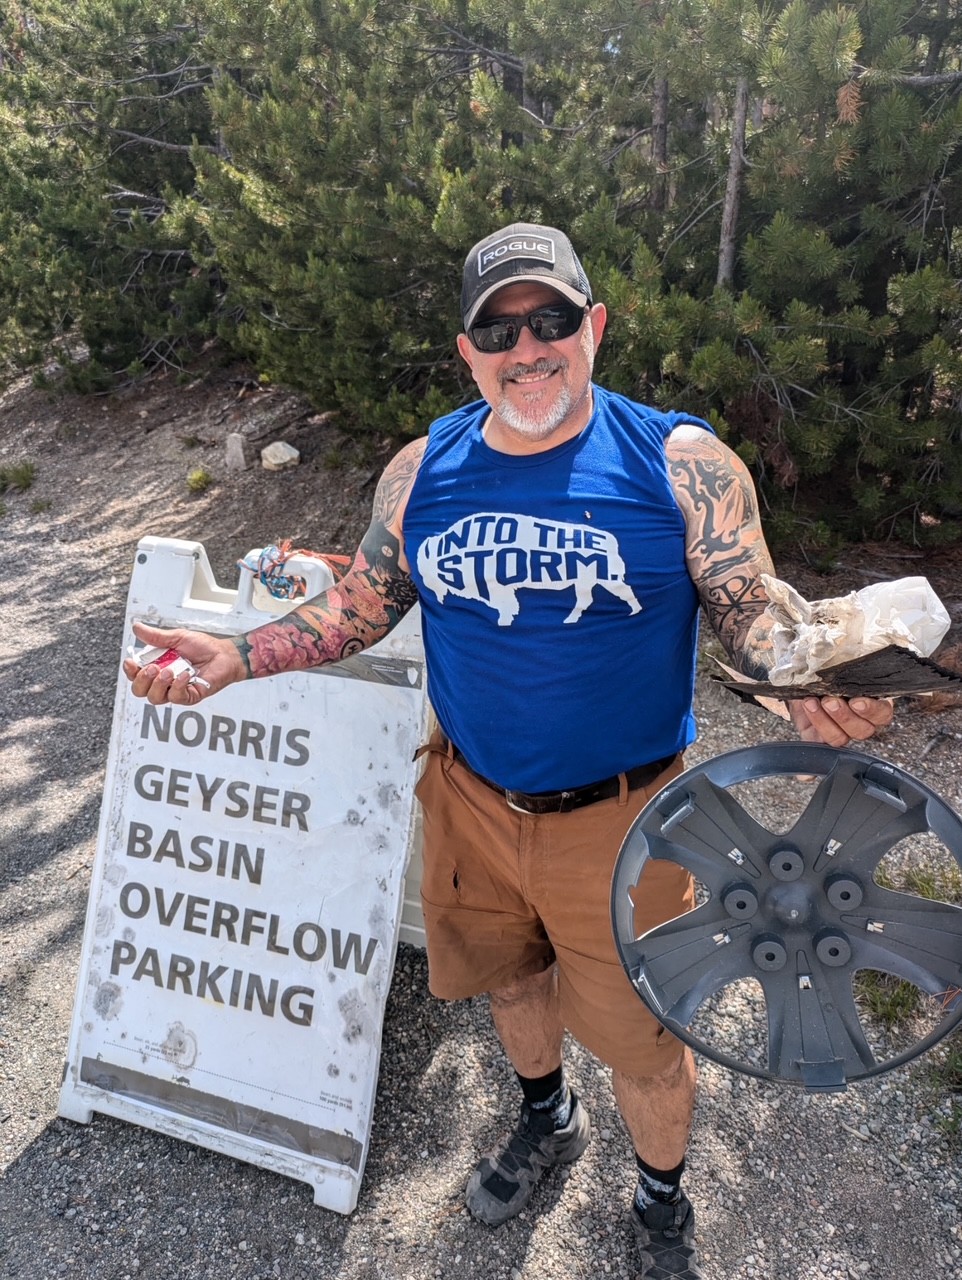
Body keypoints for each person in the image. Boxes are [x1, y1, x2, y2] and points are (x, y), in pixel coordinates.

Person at [124, 222, 893, 1278]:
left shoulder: (677, 463)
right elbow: (358, 606)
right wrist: (234, 652)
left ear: (595, 328)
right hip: (470, 802)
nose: (526, 346)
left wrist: (813, 679)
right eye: (499, 326)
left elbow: (750, 609)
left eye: (551, 320)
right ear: (466, 349)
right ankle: (547, 1114)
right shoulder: (420, 469)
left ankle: (659, 1194)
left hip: (624, 825)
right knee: (509, 982)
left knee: (643, 1038)